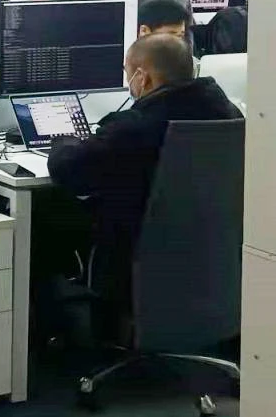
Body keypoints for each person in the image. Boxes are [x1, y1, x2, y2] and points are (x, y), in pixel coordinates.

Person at [47, 34, 240, 319]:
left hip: (136, 266)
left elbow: (67, 170)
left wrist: (63, 142)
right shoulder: (229, 113)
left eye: (128, 73)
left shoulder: (136, 127)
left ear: (143, 77)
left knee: (48, 218)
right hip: (213, 266)